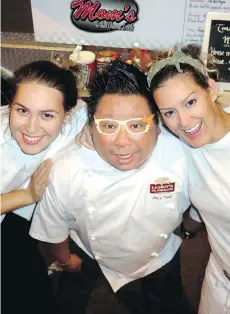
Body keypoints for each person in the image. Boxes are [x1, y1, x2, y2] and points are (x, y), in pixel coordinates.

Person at [30, 59, 196, 314]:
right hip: (87, 249)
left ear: (158, 125)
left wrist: (188, 230)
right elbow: (53, 226)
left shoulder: (184, 155)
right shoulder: (67, 167)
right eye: (108, 126)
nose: (121, 142)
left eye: (137, 125)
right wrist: (64, 260)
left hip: (159, 254)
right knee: (68, 301)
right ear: (92, 124)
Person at [147, 45, 230, 314]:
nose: (184, 121)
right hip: (221, 278)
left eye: (190, 102)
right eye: (169, 112)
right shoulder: (179, 145)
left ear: (211, 89)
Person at [1, 60, 87, 314]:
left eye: (47, 115)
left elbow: (93, 109)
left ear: (66, 114)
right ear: (11, 106)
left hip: (15, 223)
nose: (31, 127)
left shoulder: (77, 118)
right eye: (22, 111)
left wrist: (94, 129)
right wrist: (27, 194)